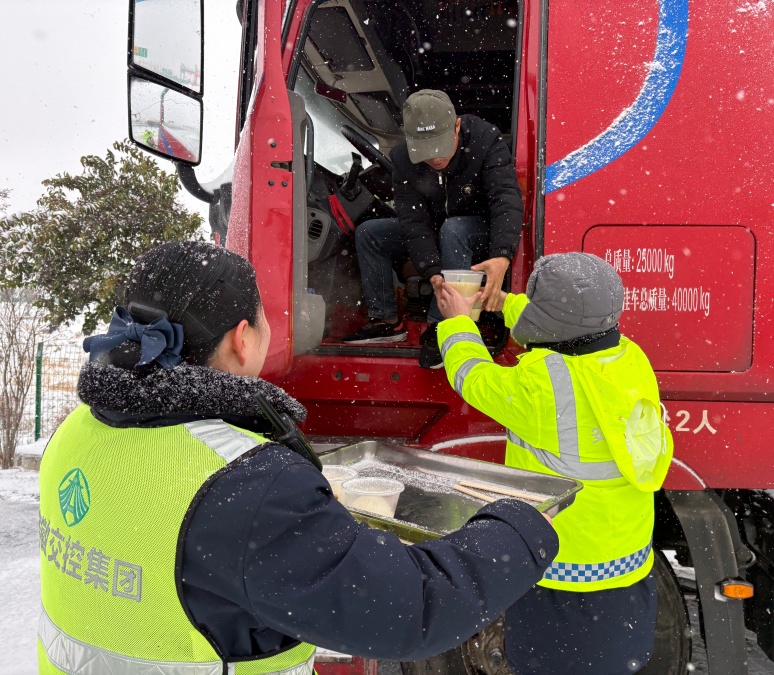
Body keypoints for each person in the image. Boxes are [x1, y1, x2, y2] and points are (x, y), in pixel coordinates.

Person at [38, 241, 559, 674]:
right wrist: (518, 523)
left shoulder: (78, 431)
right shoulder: (246, 485)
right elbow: (412, 609)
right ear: (244, 339)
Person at [435, 252, 674, 674]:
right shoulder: (628, 358)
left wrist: (457, 320)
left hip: (560, 573)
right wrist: (504, 301)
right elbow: (572, 321)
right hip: (626, 569)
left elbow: (471, 375)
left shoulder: (542, 386)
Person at [342, 89, 524, 369]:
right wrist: (433, 273)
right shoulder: (403, 159)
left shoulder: (484, 140)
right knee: (370, 233)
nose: (435, 159)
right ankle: (386, 320)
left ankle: (442, 326)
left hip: (479, 231)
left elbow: (506, 199)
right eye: (425, 152)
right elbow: (414, 221)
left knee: (455, 229)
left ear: (457, 127)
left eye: (439, 148)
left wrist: (502, 255)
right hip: (438, 230)